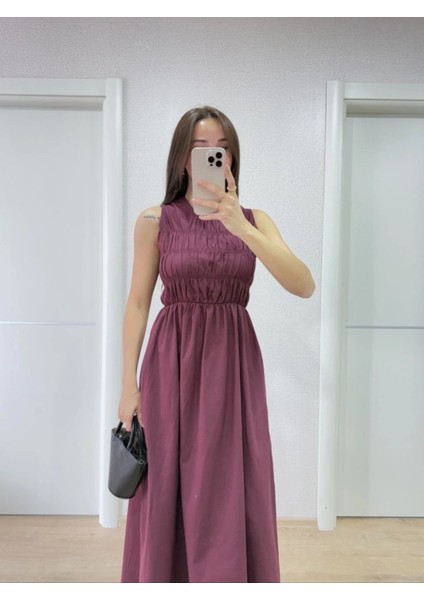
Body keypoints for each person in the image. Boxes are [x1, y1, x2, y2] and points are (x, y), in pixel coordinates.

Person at [118, 106, 315, 583]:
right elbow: (138, 303)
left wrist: (240, 227)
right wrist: (128, 386)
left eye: (221, 148)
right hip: (171, 364)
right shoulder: (155, 219)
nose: (213, 155)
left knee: (232, 479)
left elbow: (303, 284)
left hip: (234, 367)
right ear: (183, 158)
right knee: (166, 479)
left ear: (232, 158)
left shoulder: (254, 220)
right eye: (201, 147)